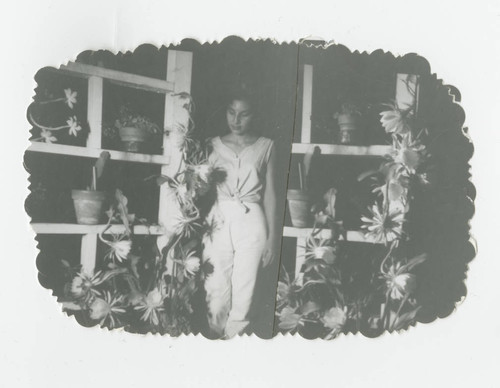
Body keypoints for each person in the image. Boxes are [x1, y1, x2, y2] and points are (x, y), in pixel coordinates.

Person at [203, 88, 278, 338]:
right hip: (219, 217)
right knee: (215, 287)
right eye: (231, 112)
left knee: (244, 291)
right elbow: (202, 186)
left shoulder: (266, 146)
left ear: (254, 115)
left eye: (243, 115)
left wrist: (272, 239)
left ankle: (234, 347)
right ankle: (214, 340)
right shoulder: (212, 146)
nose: (236, 120)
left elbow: (270, 194)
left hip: (252, 219)